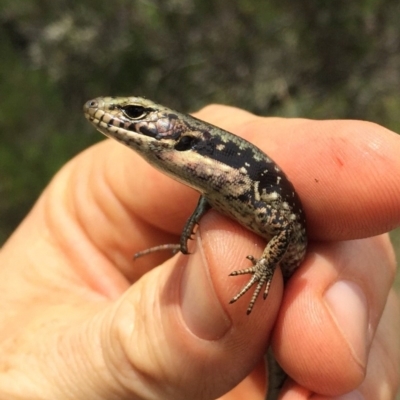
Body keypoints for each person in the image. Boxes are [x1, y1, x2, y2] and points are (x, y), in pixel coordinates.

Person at [0, 104, 399, 399]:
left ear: (180, 134)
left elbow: (281, 228)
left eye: (135, 114)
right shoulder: (209, 179)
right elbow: (210, 195)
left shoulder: (220, 167)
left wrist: (261, 270)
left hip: (288, 269)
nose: (111, 113)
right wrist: (190, 227)